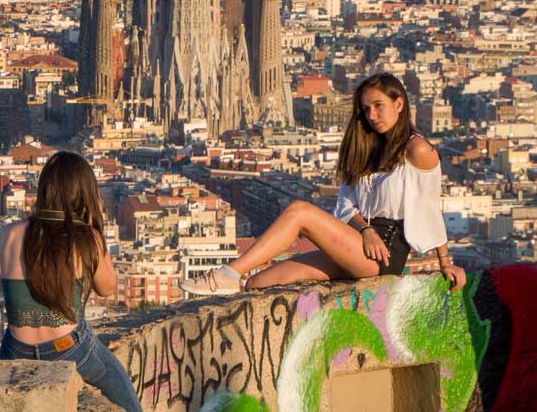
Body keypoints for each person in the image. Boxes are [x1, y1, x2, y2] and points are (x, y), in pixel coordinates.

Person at [0, 150, 188, 412]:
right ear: (86, 194)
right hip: (68, 349)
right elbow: (107, 288)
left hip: (14, 351)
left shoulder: (11, 234)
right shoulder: (87, 240)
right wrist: (95, 233)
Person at [180, 72, 466, 296]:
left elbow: (430, 208)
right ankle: (238, 279)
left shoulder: (417, 151)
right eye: (366, 109)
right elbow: (344, 205)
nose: (372, 116)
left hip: (384, 253)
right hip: (360, 243)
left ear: (399, 104)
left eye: (379, 106)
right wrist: (365, 229)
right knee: (259, 282)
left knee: (299, 212)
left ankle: (225, 274)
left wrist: (445, 262)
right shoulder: (367, 150)